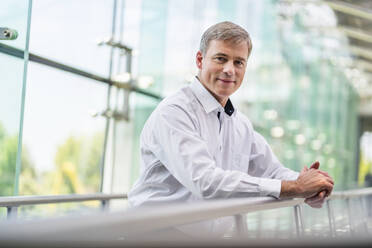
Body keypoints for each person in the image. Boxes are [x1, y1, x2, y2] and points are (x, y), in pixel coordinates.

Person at [128, 21, 333, 236]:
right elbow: (205, 182)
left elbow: (272, 171)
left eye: (238, 62)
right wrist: (295, 187)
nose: (229, 70)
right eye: (221, 59)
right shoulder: (175, 112)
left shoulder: (239, 123)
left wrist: (315, 184)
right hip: (157, 234)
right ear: (200, 60)